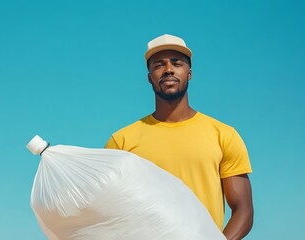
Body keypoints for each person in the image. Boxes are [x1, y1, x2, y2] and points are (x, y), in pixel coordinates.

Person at [105, 34, 254, 240]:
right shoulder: (121, 142)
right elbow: (106, 209)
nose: (168, 69)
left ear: (189, 73)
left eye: (176, 63)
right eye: (159, 65)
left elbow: (243, 210)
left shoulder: (224, 135)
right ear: (149, 77)